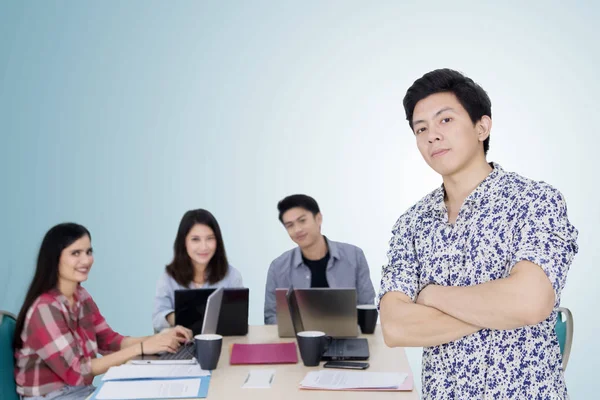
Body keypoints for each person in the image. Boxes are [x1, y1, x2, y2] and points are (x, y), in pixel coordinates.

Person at [378, 68, 578, 399]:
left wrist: (430, 295)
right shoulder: (411, 223)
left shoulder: (534, 201)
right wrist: (502, 311)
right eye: (421, 128)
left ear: (481, 127)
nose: (432, 136)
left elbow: (531, 301)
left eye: (445, 120)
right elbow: (396, 326)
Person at [13, 223, 192, 399]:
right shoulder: (44, 309)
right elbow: (77, 371)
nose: (86, 260)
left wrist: (161, 338)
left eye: (89, 252)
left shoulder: (81, 296)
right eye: (76, 253)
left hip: (80, 391)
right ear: (55, 258)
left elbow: (110, 341)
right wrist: (143, 347)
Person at [264, 194, 375, 324]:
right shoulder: (278, 267)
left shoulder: (354, 256)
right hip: (298, 340)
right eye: (290, 225)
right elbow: (271, 316)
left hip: (349, 338)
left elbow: (367, 306)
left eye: (302, 220)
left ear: (318, 218)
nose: (297, 229)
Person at [153, 209, 243, 332]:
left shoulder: (232, 276)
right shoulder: (169, 277)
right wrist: (178, 318)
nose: (204, 247)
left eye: (210, 238)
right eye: (195, 239)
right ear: (184, 242)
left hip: (221, 343)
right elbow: (157, 319)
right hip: (180, 344)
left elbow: (237, 320)